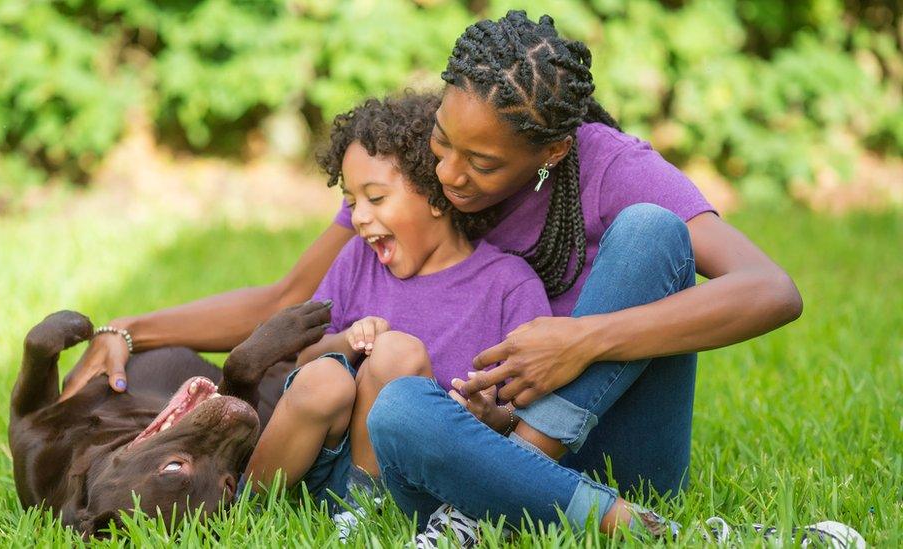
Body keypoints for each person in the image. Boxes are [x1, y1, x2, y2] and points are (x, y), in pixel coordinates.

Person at [61, 7, 819, 545]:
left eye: (482, 164)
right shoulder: (415, 180)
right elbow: (285, 300)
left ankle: (527, 474)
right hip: (463, 441)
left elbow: (771, 290)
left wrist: (585, 339)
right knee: (400, 413)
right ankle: (530, 491)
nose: (450, 173)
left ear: (549, 154)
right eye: (442, 142)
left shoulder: (609, 166)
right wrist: (127, 328)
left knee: (652, 232)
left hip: (613, 446)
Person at [239, 93, 564, 536]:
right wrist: (348, 339)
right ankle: (239, 507)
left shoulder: (508, 284)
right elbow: (302, 360)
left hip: (422, 474)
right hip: (327, 463)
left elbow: (530, 412)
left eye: (375, 198)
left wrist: (494, 415)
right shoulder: (358, 259)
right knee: (325, 377)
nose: (359, 218)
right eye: (352, 203)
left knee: (397, 351)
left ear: (435, 196)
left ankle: (364, 511)